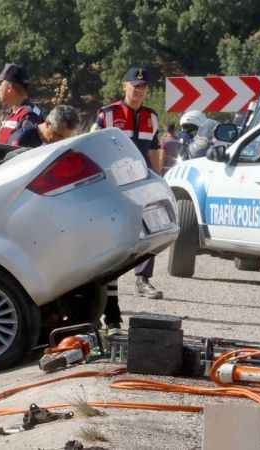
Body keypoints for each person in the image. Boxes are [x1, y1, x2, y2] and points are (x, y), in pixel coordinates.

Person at [93, 66, 164, 333]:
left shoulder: (151, 117)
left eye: (143, 87)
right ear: (125, 86)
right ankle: (107, 300)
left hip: (141, 185)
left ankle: (143, 278)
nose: (139, 91)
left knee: (149, 234)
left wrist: (158, 179)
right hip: (112, 186)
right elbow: (92, 144)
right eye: (135, 86)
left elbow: (156, 148)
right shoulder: (108, 114)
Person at [0, 63, 44, 145]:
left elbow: (26, 152)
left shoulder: (30, 116)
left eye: (0, 84)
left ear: (9, 88)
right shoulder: (13, 112)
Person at [7, 105, 80, 148]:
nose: (61, 141)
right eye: (58, 135)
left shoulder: (59, 146)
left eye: (66, 138)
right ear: (47, 123)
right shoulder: (22, 140)